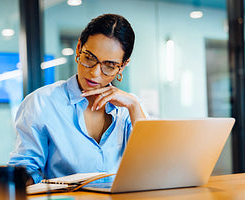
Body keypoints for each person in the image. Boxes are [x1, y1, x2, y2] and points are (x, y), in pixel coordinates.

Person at [8, 14, 147, 185]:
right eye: (89, 58)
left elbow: (152, 168)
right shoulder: (41, 103)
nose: (95, 73)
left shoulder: (129, 109)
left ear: (122, 66)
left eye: (109, 66)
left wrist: (134, 106)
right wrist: (6, 183)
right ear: (79, 48)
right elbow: (26, 169)